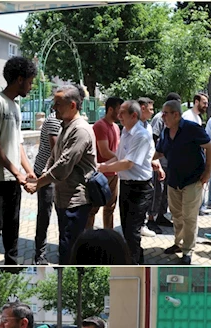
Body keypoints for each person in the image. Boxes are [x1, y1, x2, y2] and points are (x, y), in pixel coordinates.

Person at [25, 85, 97, 265]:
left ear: (72, 105)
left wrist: (38, 183)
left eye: (58, 104)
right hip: (63, 198)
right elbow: (54, 155)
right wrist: (42, 175)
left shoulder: (80, 130)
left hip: (76, 201)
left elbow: (63, 165)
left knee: (70, 250)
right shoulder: (65, 125)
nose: (53, 107)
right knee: (65, 244)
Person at [0, 56, 37, 264]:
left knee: (12, 227)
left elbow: (18, 143)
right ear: (19, 79)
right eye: (30, 82)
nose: (31, 87)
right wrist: (16, 172)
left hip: (13, 180)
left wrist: (28, 171)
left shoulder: (15, 106)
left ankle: (11, 265)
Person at [153, 99, 211, 264]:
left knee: (189, 217)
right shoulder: (166, 132)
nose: (162, 117)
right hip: (173, 181)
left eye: (165, 114)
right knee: (177, 215)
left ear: (176, 114)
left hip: (193, 180)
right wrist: (149, 160)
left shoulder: (191, 128)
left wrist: (208, 172)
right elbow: (159, 152)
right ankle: (178, 243)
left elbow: (210, 147)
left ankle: (188, 250)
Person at [97, 100, 155, 264]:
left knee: (132, 231)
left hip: (140, 189)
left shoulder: (141, 135)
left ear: (133, 115)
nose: (119, 115)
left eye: (122, 113)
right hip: (126, 186)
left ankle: (134, 263)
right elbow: (118, 157)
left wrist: (104, 168)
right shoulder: (125, 132)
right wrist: (101, 166)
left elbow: (128, 163)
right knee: (127, 229)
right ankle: (136, 259)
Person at [87, 96, 123, 230]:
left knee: (110, 208)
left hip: (113, 173)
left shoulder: (116, 127)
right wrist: (121, 158)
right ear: (110, 109)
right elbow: (104, 152)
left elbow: (117, 148)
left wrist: (120, 159)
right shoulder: (100, 126)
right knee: (93, 208)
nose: (121, 113)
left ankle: (109, 235)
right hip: (101, 174)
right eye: (119, 110)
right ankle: (88, 236)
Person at [147, 93, 181, 233]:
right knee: (157, 191)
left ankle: (161, 215)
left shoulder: (175, 119)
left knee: (166, 192)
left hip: (169, 163)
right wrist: (155, 159)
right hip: (160, 163)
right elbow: (153, 138)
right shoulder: (160, 118)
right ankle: (151, 219)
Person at [33, 112, 63, 264]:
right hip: (47, 173)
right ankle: (40, 254)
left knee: (62, 213)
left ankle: (63, 252)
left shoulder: (66, 121)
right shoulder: (53, 121)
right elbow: (56, 152)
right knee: (45, 213)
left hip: (59, 174)